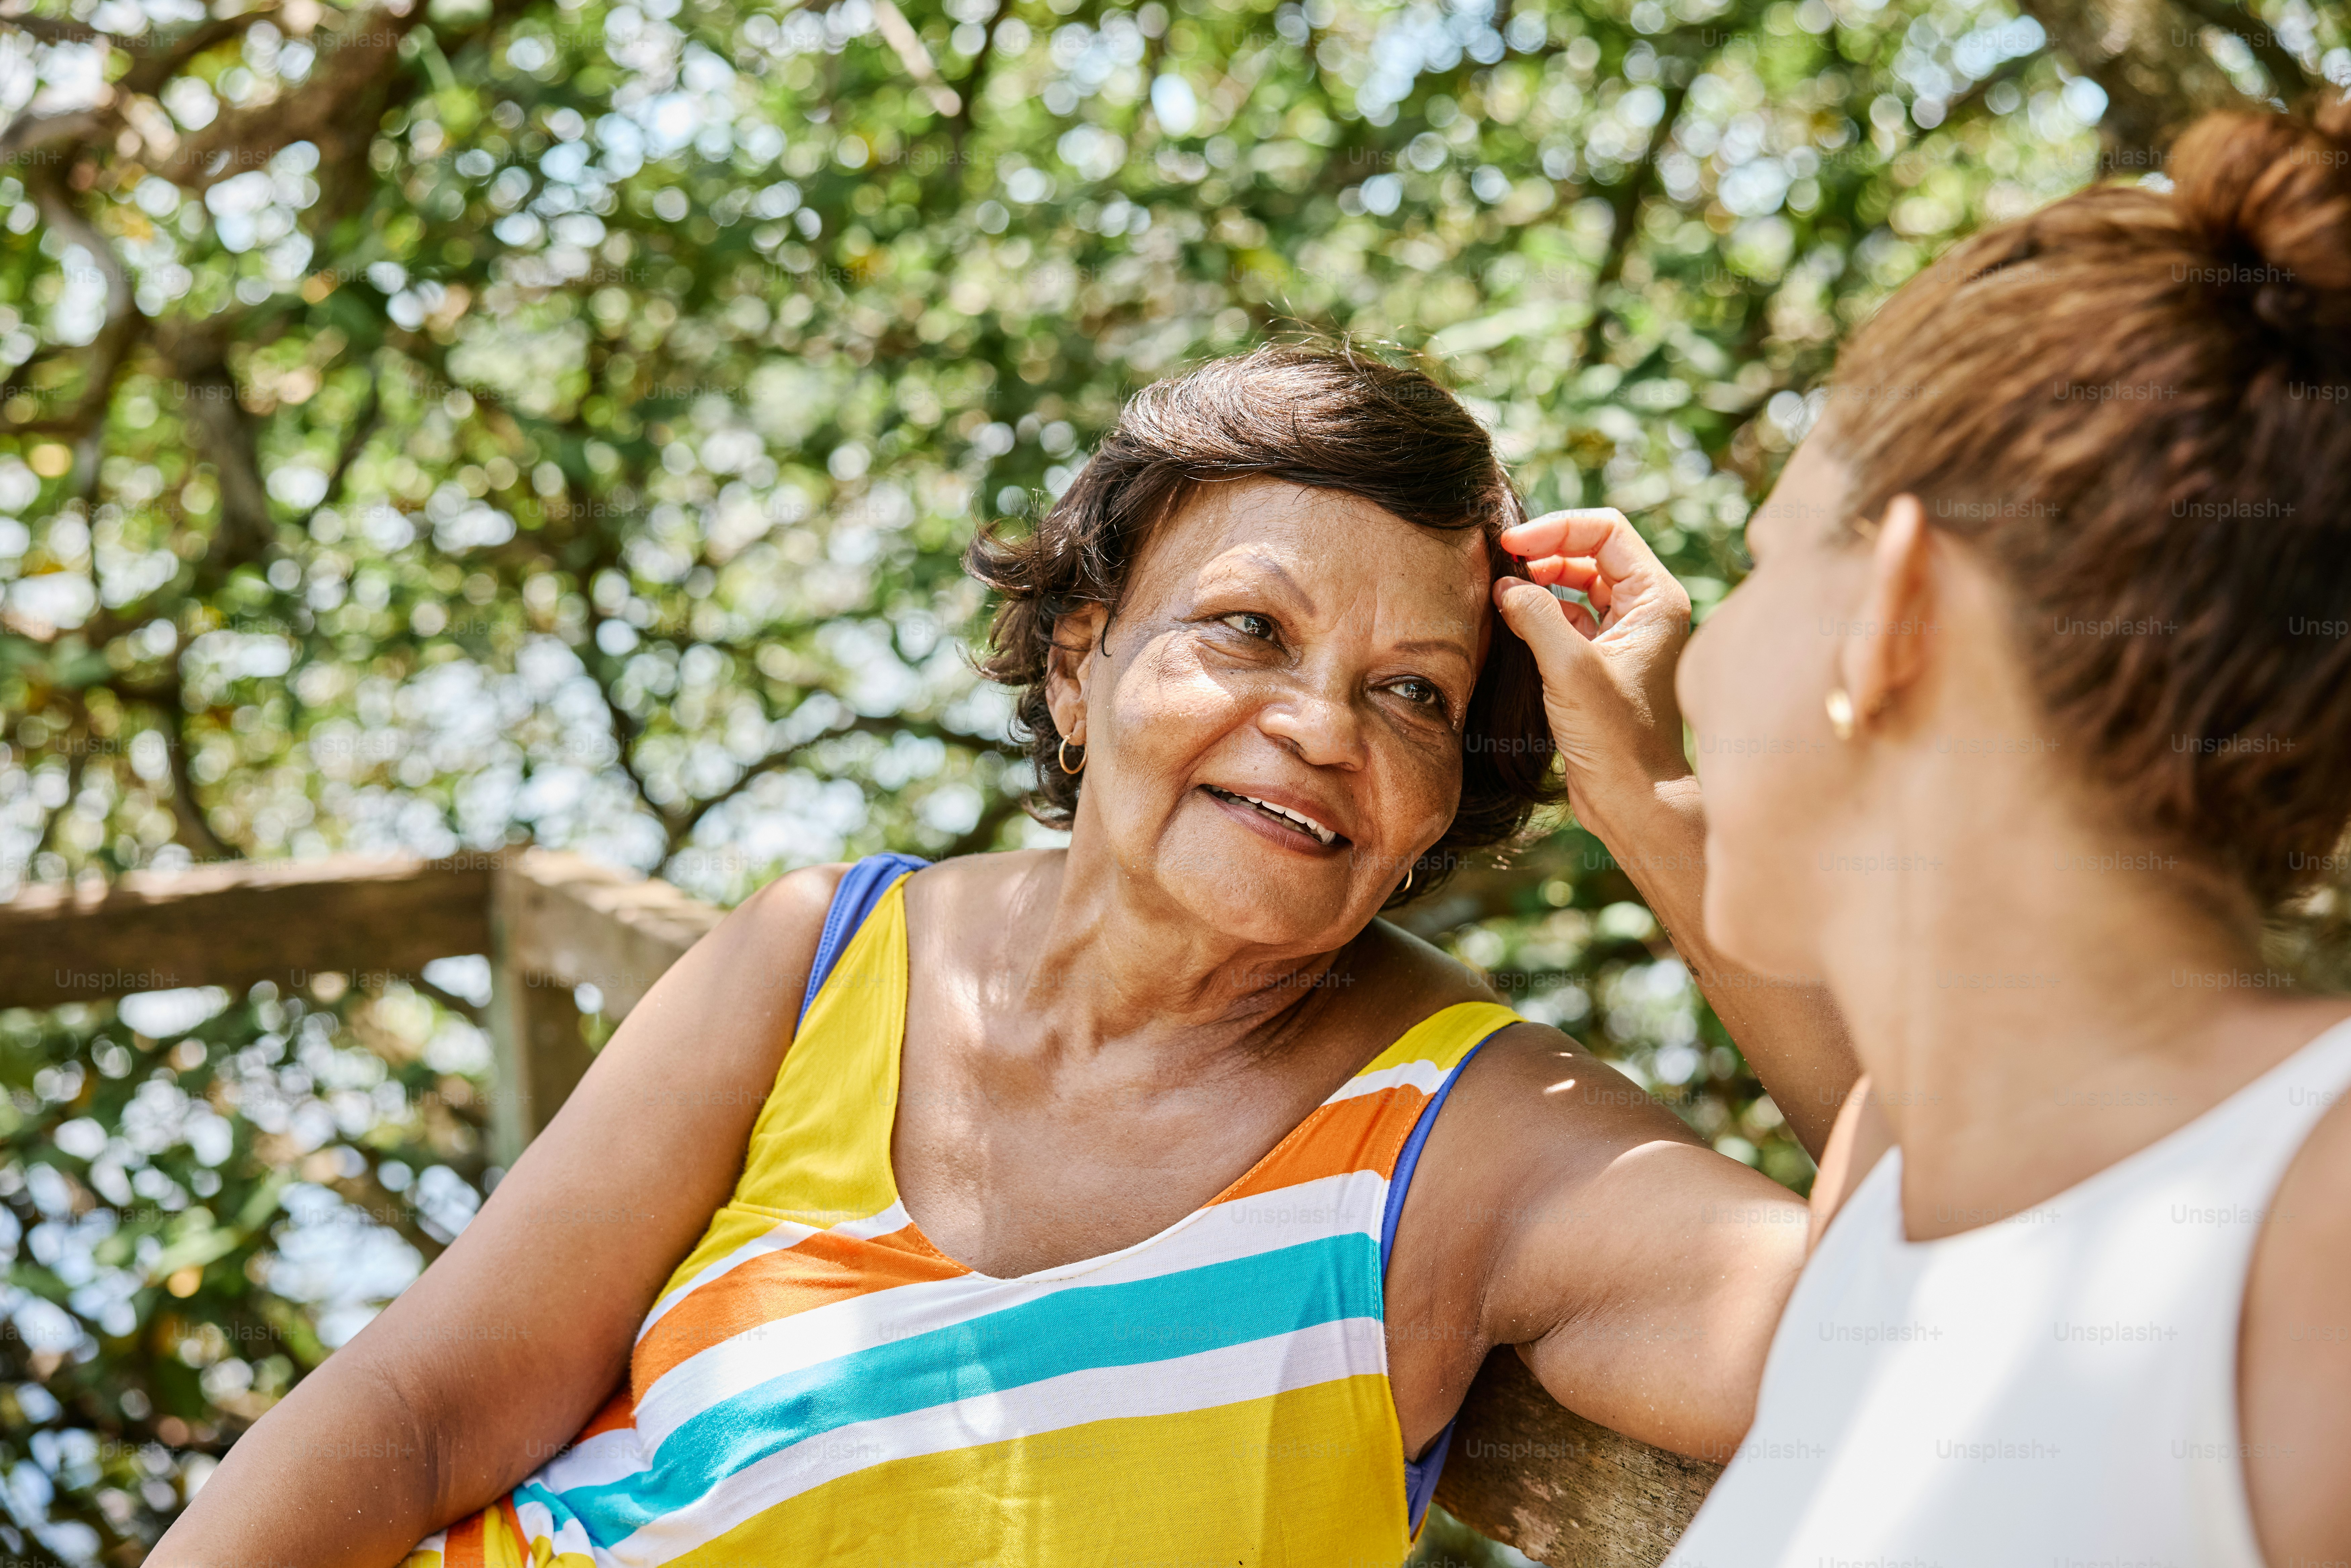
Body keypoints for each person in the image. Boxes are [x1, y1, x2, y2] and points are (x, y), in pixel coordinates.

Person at [150, 347, 1852, 1568]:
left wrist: (1662, 803)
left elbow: (1942, 1324)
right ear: (1077, 663)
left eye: (1411, 693)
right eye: (1247, 629)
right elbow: (423, 1410)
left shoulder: (1476, 1136)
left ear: (1437, 806)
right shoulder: (818, 959)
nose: (1318, 724)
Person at [1494, 93, 2351, 1566]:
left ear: (1893, 605)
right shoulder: (1907, 1178)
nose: (1708, 645)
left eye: (1758, 567)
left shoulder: (2317, 1223)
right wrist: (1640, 796)